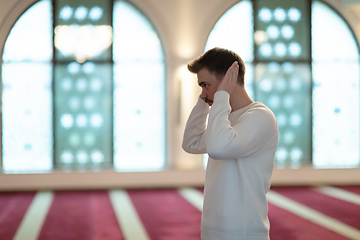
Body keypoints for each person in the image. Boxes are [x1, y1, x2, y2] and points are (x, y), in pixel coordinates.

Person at [182, 47, 279, 240]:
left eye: (205, 85)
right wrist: (204, 103)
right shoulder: (224, 118)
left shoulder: (260, 116)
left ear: (228, 79)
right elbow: (191, 143)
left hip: (243, 231)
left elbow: (218, 148)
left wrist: (221, 96)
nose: (203, 93)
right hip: (214, 228)